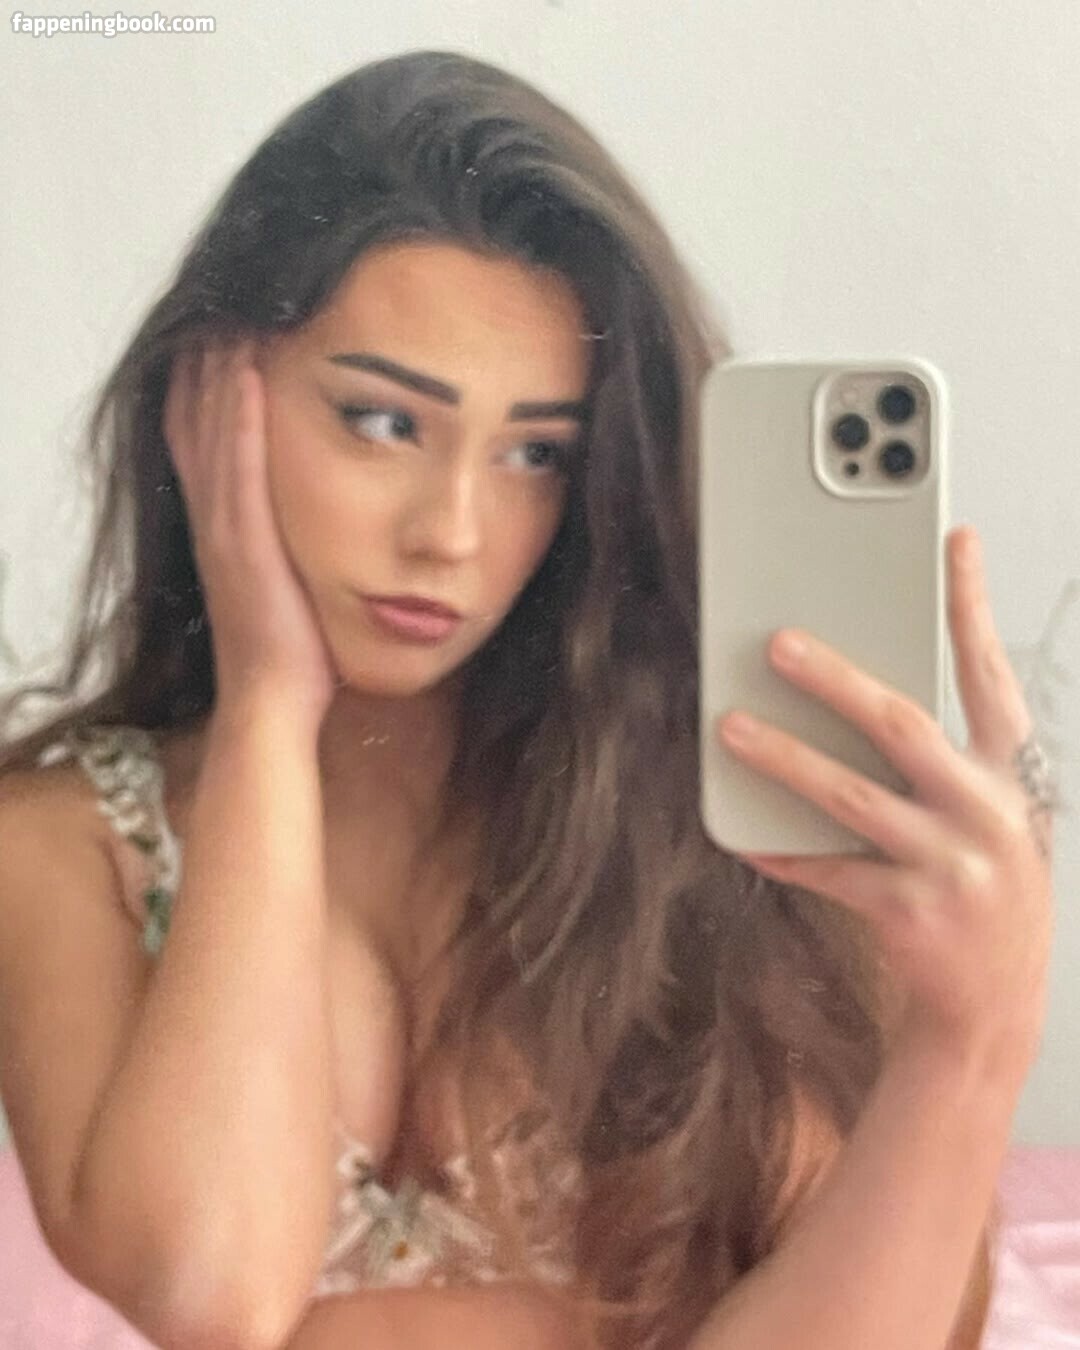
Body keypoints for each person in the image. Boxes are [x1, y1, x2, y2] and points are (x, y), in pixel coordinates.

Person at [0, 48, 1057, 1350]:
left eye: (535, 453)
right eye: (385, 423)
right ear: (211, 393)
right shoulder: (64, 847)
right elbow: (208, 1288)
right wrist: (269, 702)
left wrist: (975, 1034)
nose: (451, 531)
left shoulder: (692, 834)